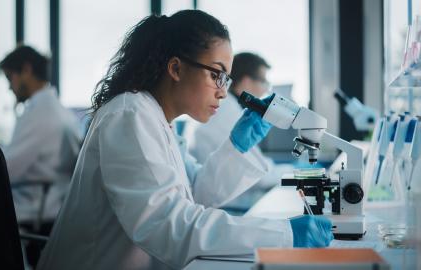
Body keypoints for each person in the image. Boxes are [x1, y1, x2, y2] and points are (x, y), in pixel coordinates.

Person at [37, 10, 333, 270]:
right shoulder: (129, 114)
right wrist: (283, 233)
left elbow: (195, 194)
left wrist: (236, 147)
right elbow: (168, 225)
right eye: (217, 75)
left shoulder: (159, 122)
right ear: (176, 68)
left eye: (226, 79)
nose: (222, 91)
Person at [186, 52, 293, 209]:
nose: (265, 89)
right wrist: (295, 172)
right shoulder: (225, 110)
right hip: (228, 203)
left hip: (220, 193)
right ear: (246, 82)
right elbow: (260, 177)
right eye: (263, 81)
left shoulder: (228, 107)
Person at [0, 46, 82, 224]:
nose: (9, 87)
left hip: (36, 208)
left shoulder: (39, 113)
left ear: (27, 70)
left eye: (9, 77)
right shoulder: (57, 109)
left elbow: (5, 169)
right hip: (54, 203)